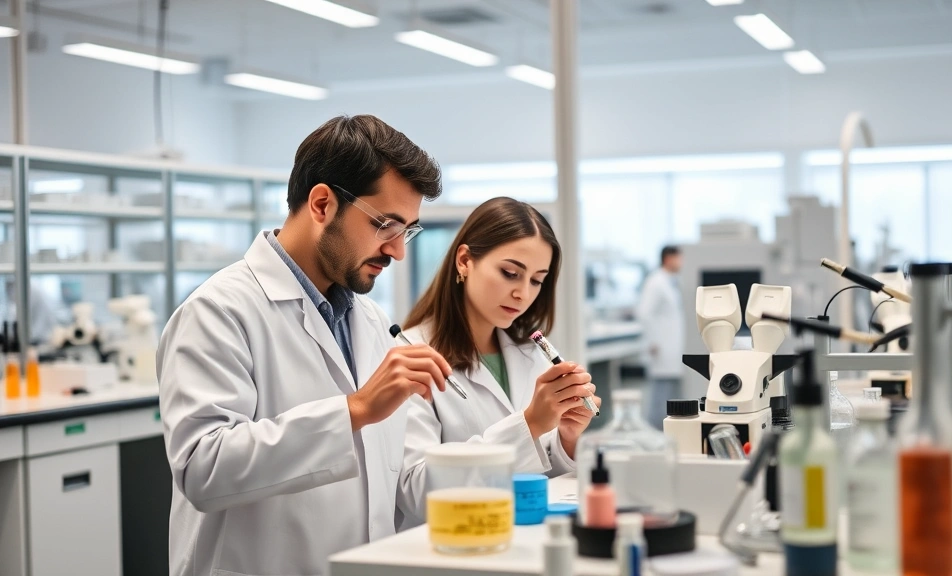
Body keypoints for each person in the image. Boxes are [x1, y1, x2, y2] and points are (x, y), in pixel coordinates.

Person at [157, 115, 458, 576]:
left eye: (408, 231)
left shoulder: (370, 321)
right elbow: (203, 468)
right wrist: (354, 411)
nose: (397, 251)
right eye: (386, 225)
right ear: (322, 204)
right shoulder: (219, 311)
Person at [396, 197, 601, 525]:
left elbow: (545, 473)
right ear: (464, 261)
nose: (523, 293)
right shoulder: (410, 355)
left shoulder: (531, 353)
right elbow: (415, 493)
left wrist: (567, 437)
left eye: (536, 280)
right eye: (510, 273)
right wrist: (530, 424)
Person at [636, 245, 687, 428]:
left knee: (672, 396)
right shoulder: (655, 282)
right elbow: (644, 313)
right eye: (678, 258)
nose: (681, 262)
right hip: (660, 349)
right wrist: (653, 342)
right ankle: (654, 434)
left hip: (672, 349)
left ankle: (668, 433)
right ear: (668, 259)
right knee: (660, 398)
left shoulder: (671, 282)